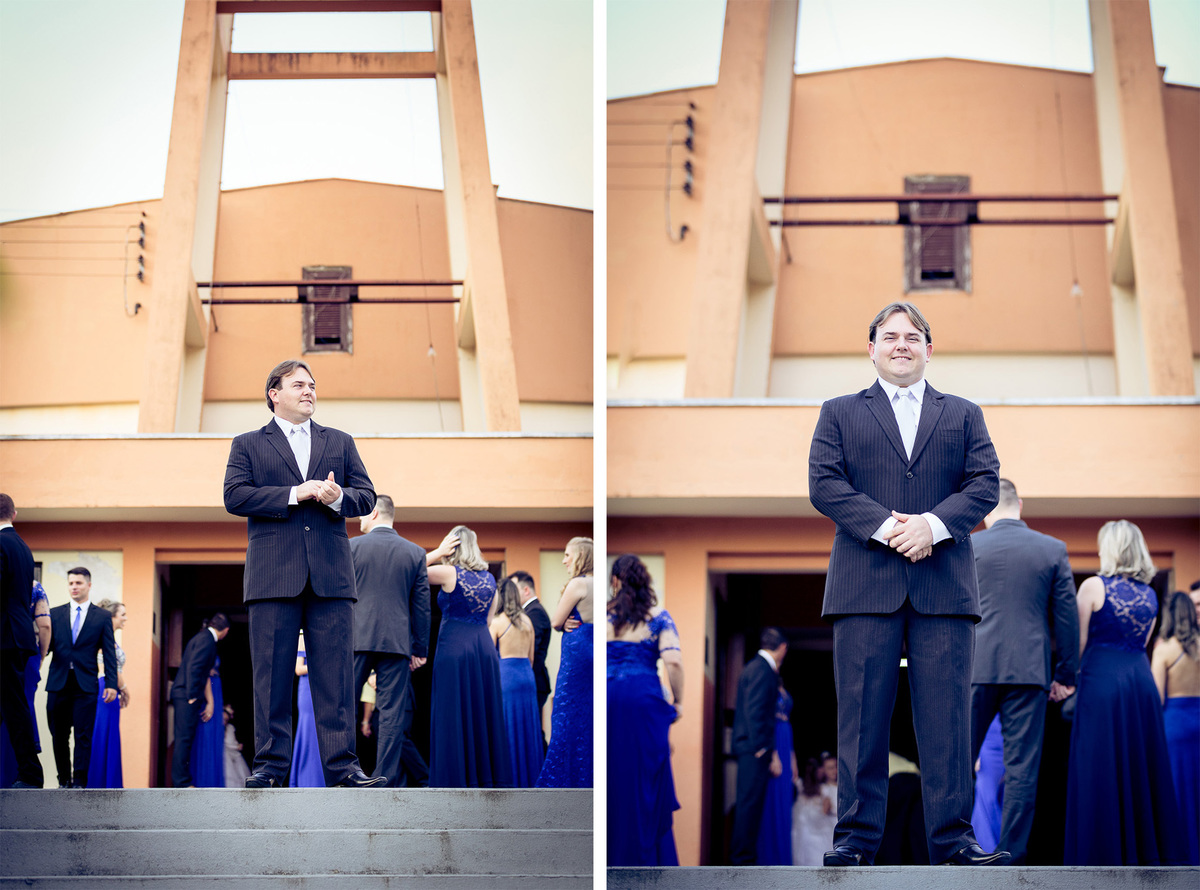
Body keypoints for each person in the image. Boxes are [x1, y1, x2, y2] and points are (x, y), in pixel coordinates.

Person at [808, 301, 1005, 867]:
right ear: (871, 348)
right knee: (862, 715)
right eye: (889, 336)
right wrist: (889, 528)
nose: (901, 344)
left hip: (942, 586)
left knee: (946, 720)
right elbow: (823, 482)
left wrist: (933, 527)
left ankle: (953, 840)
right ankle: (855, 839)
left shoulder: (964, 413)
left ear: (928, 348)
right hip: (864, 585)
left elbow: (984, 482)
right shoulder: (839, 412)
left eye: (912, 336)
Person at [223, 358, 383, 789]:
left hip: (331, 576)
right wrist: (297, 492)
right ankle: (271, 770)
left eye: (312, 385)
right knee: (271, 676)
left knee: (335, 678)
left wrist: (336, 498)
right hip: (273, 576)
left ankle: (344, 769)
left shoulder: (341, 442)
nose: (309, 391)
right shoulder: (247, 444)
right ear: (274, 393)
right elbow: (234, 496)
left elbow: (366, 496)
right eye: (298, 385)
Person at [969, 478, 1079, 863]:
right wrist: (1066, 675)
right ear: (1021, 505)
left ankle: (952, 847)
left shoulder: (969, 545)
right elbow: (1066, 621)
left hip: (975, 668)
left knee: (957, 760)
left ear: (986, 511)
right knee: (1021, 770)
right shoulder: (1052, 550)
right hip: (1030, 671)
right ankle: (1011, 854)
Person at [1064, 520, 1186, 864]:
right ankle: (1145, 853)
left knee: (1098, 765)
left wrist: (1065, 679)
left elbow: (1078, 644)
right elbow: (1142, 643)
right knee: (1139, 765)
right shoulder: (1150, 595)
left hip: (1101, 683)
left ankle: (1100, 855)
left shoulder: (1091, 586)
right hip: (1139, 683)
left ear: (1113, 549)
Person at [607, 554, 684, 866]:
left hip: (607, 697)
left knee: (611, 773)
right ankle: (644, 859)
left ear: (615, 581)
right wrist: (678, 701)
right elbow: (674, 661)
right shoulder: (659, 617)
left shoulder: (603, 616)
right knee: (644, 777)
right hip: (644, 700)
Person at [350, 494, 431, 787]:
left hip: (357, 638)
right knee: (392, 712)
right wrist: (420, 649)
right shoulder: (415, 553)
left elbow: (338, 597)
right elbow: (421, 606)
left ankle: (345, 772)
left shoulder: (351, 547)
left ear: (373, 514)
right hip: (397, 643)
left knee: (345, 705)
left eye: (361, 514)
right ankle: (385, 777)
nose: (358, 519)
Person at [426, 525, 511, 787]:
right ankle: (485, 777)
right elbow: (487, 620)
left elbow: (410, 568)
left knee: (453, 709)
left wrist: (437, 552)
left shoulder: (449, 572)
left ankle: (455, 778)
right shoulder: (490, 580)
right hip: (483, 648)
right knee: (481, 709)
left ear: (455, 546)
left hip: (455, 646)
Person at [45, 566, 117, 788]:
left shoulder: (102, 617)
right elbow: (45, 647)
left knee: (83, 736)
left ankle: (79, 782)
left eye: (78, 583)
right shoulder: (54, 613)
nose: (74, 587)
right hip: (58, 682)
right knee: (59, 735)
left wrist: (112, 684)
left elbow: (109, 652)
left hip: (86, 684)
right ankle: (63, 780)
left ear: (89, 585)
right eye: (70, 583)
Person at [537, 536, 594, 788]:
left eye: (567, 555)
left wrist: (564, 621)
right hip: (594, 650)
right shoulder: (601, 586)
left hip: (577, 652)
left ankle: (562, 779)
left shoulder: (578, 584)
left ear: (580, 556)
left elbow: (557, 621)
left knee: (566, 711)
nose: (564, 560)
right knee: (588, 713)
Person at [730, 627, 788, 864]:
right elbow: (755, 711)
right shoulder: (763, 670)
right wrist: (762, 747)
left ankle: (744, 857)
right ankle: (742, 859)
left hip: (751, 747)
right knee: (749, 804)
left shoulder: (754, 667)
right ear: (782, 648)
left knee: (750, 803)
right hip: (754, 748)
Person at [1150, 590, 1199, 864]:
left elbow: (1157, 697)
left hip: (1175, 726)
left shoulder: (1164, 649)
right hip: (1198, 721)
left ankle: (1179, 857)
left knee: (1178, 791)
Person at [0, 494, 43, 788]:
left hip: (4, 635)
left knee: (14, 706)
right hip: (16, 634)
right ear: (14, 513)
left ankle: (30, 773)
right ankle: (29, 772)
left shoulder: (2, 544)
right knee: (12, 705)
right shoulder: (23, 547)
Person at [490, 577, 543, 786]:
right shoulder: (527, 621)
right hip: (526, 678)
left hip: (506, 677)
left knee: (507, 727)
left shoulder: (496, 622)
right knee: (527, 729)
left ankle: (508, 780)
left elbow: (490, 659)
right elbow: (531, 658)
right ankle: (530, 779)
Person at [0, 579, 50, 787]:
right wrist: (42, 654)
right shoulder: (33, 586)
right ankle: (20, 772)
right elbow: (45, 624)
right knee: (21, 707)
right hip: (24, 651)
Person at [170, 614, 228, 788]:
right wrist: (193, 695)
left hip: (184, 693)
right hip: (186, 695)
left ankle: (182, 780)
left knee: (184, 737)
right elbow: (195, 667)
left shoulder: (202, 637)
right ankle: (181, 782)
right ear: (225, 630)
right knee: (184, 738)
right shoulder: (207, 640)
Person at [86, 599, 128, 788]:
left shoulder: (109, 637)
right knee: (103, 732)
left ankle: (106, 781)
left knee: (108, 732)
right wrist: (125, 688)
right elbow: (109, 667)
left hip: (110, 688)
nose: (125, 619)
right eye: (123, 615)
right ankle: (99, 782)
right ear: (112, 617)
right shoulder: (105, 638)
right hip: (106, 687)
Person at [756, 681, 798, 865]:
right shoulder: (765, 681)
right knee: (771, 800)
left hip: (785, 738)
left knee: (784, 800)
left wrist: (792, 758)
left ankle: (782, 856)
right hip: (774, 739)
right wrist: (773, 754)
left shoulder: (779, 682)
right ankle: (768, 857)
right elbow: (764, 718)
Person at [510, 571, 552, 747]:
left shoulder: (535, 613)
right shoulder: (530, 612)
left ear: (525, 590)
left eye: (514, 590)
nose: (510, 596)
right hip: (531, 682)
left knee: (532, 732)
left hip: (534, 682)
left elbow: (529, 650)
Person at [289, 634, 323, 787]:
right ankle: (306, 779)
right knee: (309, 730)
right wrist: (321, 665)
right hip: (307, 688)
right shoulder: (303, 637)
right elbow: (298, 669)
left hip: (320, 688)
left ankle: (319, 777)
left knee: (319, 732)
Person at [793, 753, 838, 866]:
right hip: (814, 836)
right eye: (829, 768)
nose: (834, 771)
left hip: (828, 833)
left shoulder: (826, 790)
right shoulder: (822, 790)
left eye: (836, 767)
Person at [190, 644, 226, 787]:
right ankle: (205, 780)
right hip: (209, 691)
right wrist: (210, 702)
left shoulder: (211, 647)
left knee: (214, 736)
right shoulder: (204, 649)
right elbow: (204, 675)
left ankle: (212, 780)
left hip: (216, 688)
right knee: (207, 735)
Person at [223, 704, 251, 788]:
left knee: (240, 772)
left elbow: (232, 741)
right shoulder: (220, 729)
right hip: (227, 752)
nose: (224, 721)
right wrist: (236, 747)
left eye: (226, 720)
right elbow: (226, 743)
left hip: (234, 752)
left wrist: (237, 745)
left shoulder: (230, 727)